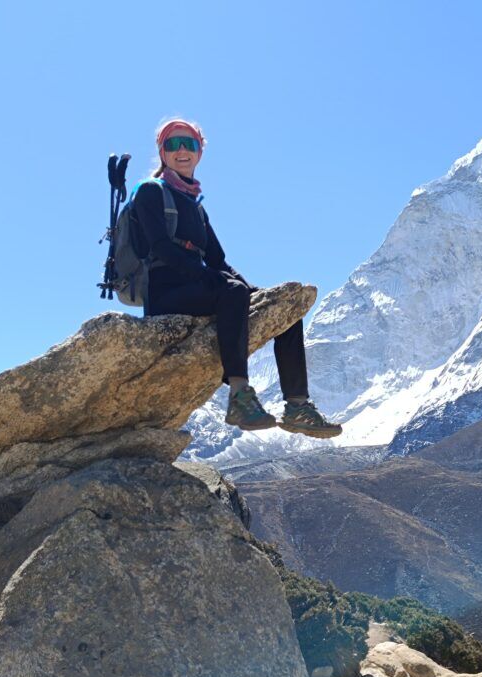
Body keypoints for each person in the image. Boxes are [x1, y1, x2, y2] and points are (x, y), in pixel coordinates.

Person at [132, 118, 341, 438]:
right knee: (230, 292)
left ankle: (298, 405)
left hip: (199, 287)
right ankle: (239, 395)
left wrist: (256, 292)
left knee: (284, 305)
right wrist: (214, 281)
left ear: (200, 151)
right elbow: (160, 246)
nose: (182, 150)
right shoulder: (150, 192)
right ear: (162, 152)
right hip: (164, 293)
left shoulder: (194, 206)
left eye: (190, 143)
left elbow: (218, 260)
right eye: (173, 144)